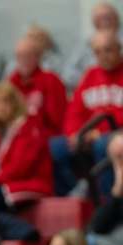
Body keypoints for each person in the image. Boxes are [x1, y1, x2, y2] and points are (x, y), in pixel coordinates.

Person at [0, 82, 52, 230]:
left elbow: (20, 168)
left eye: (5, 102)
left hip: (30, 183)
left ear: (15, 103)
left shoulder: (29, 126)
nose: (0, 107)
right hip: (2, 185)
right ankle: (22, 232)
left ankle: (24, 232)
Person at [52, 30, 123, 197]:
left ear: (119, 49)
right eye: (97, 52)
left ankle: (108, 204)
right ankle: (77, 191)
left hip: (115, 134)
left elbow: (116, 115)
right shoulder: (90, 75)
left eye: (108, 50)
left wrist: (99, 132)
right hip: (90, 132)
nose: (103, 55)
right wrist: (74, 133)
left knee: (102, 145)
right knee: (55, 147)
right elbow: (74, 111)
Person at [8, 35, 67, 139]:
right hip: (16, 137)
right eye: (19, 56)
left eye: (28, 56)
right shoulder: (11, 83)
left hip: (44, 137)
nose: (23, 60)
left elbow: (56, 120)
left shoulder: (51, 80)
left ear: (38, 57)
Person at [63, 1, 123, 91]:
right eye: (100, 18)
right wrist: (90, 81)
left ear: (117, 18)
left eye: (108, 17)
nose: (104, 21)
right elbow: (68, 73)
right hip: (93, 93)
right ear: (94, 22)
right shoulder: (85, 44)